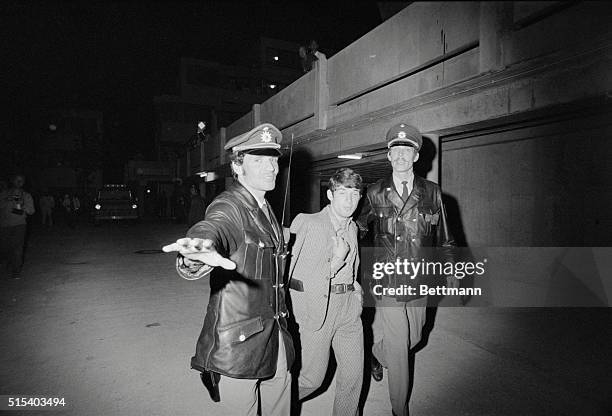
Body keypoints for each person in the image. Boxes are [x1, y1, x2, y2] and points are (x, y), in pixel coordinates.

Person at [162, 123, 294, 415]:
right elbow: (214, 226)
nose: (270, 167)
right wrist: (197, 251)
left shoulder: (264, 207)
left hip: (275, 334)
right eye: (258, 160)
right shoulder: (230, 204)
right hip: (239, 344)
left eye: (272, 159)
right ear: (238, 167)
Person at [357, 123, 456, 416]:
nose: (400, 155)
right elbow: (359, 226)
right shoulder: (375, 192)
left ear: (416, 156)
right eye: (395, 150)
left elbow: (446, 238)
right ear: (388, 156)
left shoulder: (433, 193)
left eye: (407, 150)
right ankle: (399, 409)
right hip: (387, 279)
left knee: (415, 337)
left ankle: (376, 353)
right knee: (401, 349)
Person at [288, 168, 364, 416]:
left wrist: (356, 290)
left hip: (349, 310)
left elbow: (354, 266)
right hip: (319, 308)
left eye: (355, 194)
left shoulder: (353, 227)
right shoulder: (308, 223)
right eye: (343, 193)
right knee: (312, 379)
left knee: (353, 377)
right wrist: (335, 263)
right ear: (330, 195)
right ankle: (273, 405)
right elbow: (291, 274)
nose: (349, 200)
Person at [0, 174, 35, 278]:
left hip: (20, 225)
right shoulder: (4, 194)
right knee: (5, 247)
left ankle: (16, 270)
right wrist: (8, 200)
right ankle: (8, 262)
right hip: (4, 225)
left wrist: (22, 206)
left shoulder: (26, 195)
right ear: (13, 181)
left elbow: (31, 211)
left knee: (17, 248)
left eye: (21, 180)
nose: (19, 182)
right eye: (17, 180)